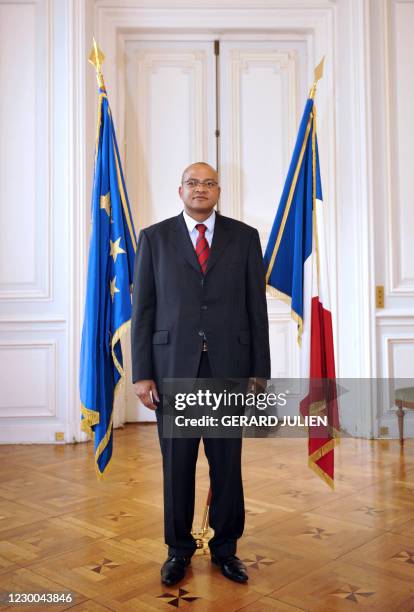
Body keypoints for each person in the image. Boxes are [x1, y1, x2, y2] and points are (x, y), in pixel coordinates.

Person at [131, 162, 270, 586]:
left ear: (218, 191)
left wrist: (258, 373)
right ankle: (178, 550)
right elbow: (144, 311)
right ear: (180, 190)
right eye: (193, 182)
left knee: (227, 465)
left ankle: (226, 549)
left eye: (209, 183)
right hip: (174, 370)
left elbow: (255, 310)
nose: (200, 189)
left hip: (228, 369)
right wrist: (142, 374)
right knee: (178, 464)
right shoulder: (153, 239)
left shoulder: (245, 238)